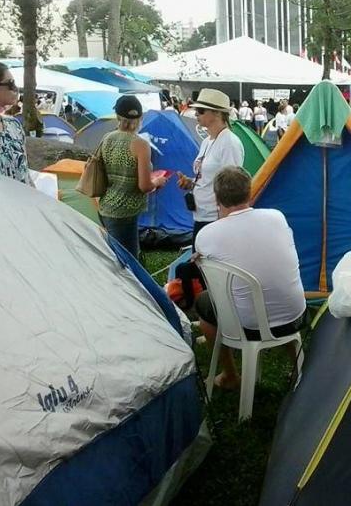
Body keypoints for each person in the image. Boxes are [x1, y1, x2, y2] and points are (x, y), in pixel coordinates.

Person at [194, 166, 306, 389]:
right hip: (295, 316)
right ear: (250, 192)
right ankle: (297, 365)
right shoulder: (277, 217)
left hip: (248, 327)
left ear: (217, 199)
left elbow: (214, 282)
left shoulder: (207, 234)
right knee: (274, 293)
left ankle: (230, 375)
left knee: (203, 302)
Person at [176, 89, 245, 302]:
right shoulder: (207, 141)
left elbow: (232, 185)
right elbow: (208, 175)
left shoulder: (230, 143)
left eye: (200, 110)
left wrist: (226, 223)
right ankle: (211, 309)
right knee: (204, 266)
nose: (196, 114)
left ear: (216, 114)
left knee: (212, 269)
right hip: (200, 212)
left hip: (216, 217)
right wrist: (191, 182)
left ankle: (218, 309)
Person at [98, 95, 168, 259]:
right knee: (129, 263)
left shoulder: (106, 138)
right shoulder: (140, 145)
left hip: (105, 206)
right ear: (140, 117)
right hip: (124, 212)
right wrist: (157, 181)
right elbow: (144, 186)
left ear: (117, 116)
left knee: (114, 257)